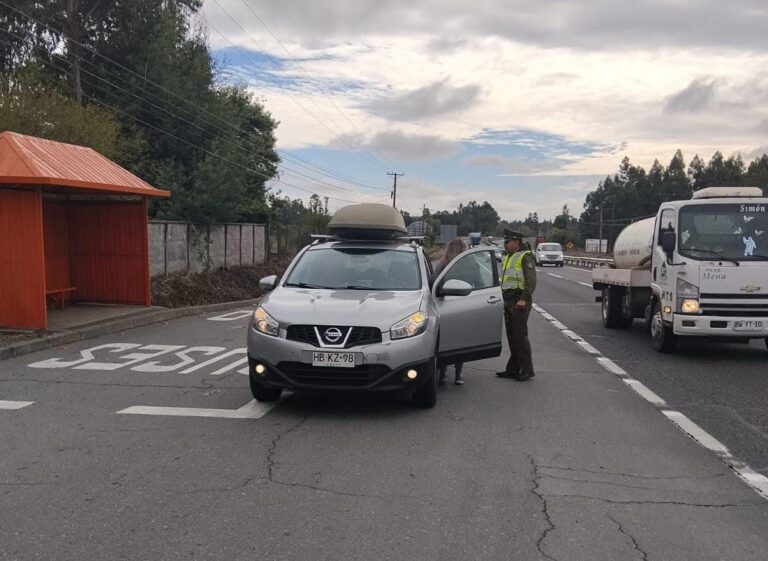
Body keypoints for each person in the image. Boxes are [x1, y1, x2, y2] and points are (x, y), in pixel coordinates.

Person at [497, 230, 537, 381]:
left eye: (507, 242)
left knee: (520, 337)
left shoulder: (525, 257)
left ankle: (527, 369)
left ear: (516, 242)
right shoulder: (508, 257)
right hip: (508, 301)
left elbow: (531, 281)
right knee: (512, 337)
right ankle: (513, 369)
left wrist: (524, 299)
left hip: (518, 301)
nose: (505, 244)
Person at [433, 238, 467, 385]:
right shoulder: (469, 265)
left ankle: (443, 374)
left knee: (444, 340)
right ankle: (459, 375)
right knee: (460, 341)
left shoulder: (442, 265)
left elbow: (433, 282)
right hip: (463, 306)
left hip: (444, 305)